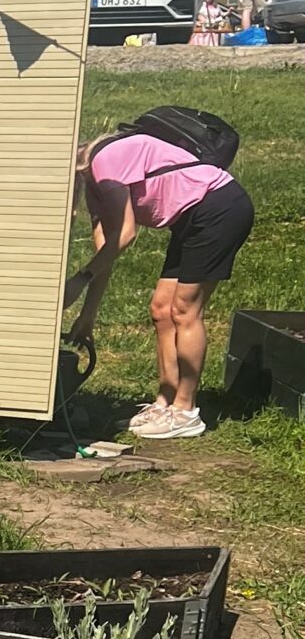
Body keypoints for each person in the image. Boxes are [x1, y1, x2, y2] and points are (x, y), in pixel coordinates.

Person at [64, 119, 254, 440]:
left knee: (184, 311)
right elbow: (106, 255)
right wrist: (87, 317)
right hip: (192, 217)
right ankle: (165, 401)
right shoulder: (97, 187)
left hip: (218, 207)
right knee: (161, 309)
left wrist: (80, 279)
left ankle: (185, 410)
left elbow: (124, 235)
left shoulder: (105, 164)